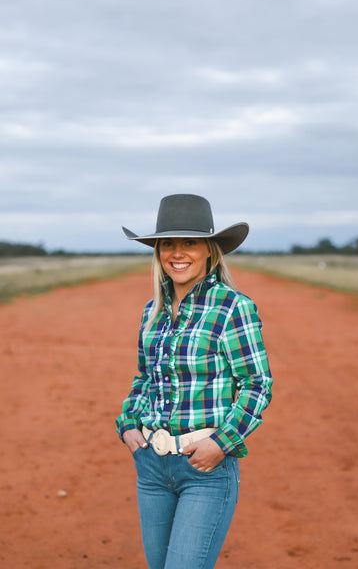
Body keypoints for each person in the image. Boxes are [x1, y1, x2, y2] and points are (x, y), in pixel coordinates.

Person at [116, 193, 273, 569]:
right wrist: (128, 425)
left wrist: (221, 443)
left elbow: (256, 385)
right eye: (167, 243)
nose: (177, 253)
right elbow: (145, 378)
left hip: (205, 469)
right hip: (152, 467)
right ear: (157, 251)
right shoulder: (151, 311)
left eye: (189, 242)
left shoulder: (232, 307)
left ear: (209, 250)